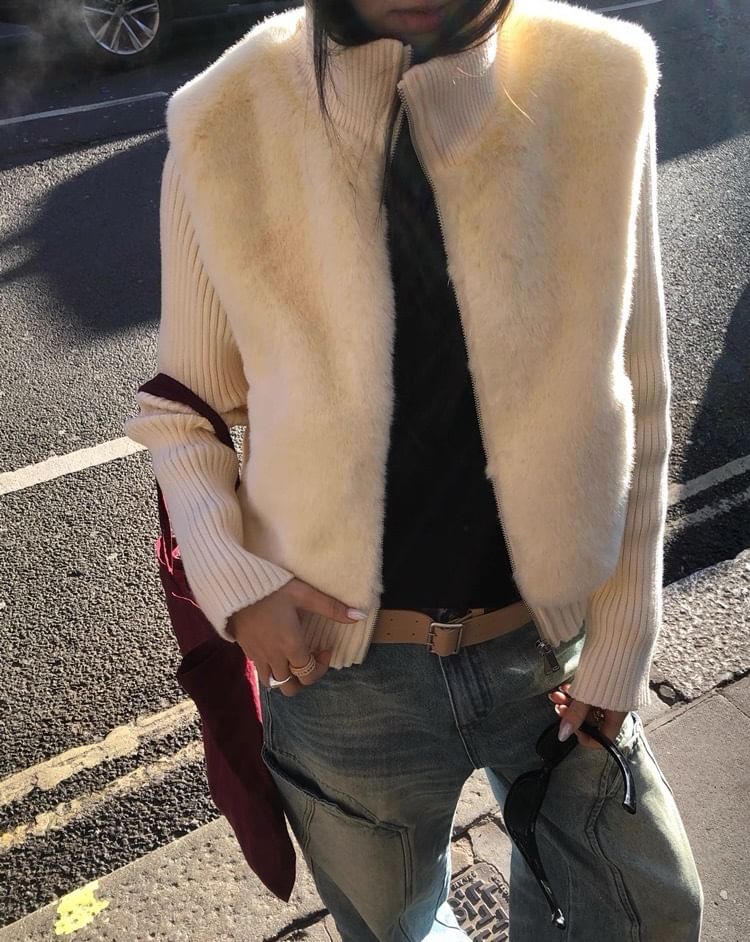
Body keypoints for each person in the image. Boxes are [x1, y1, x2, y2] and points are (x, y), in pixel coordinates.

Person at [124, 0, 704, 937]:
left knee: (647, 914)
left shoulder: (600, 77)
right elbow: (182, 410)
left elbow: (636, 386)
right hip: (341, 678)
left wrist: (623, 642)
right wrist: (242, 589)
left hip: (549, 649)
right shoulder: (222, 114)